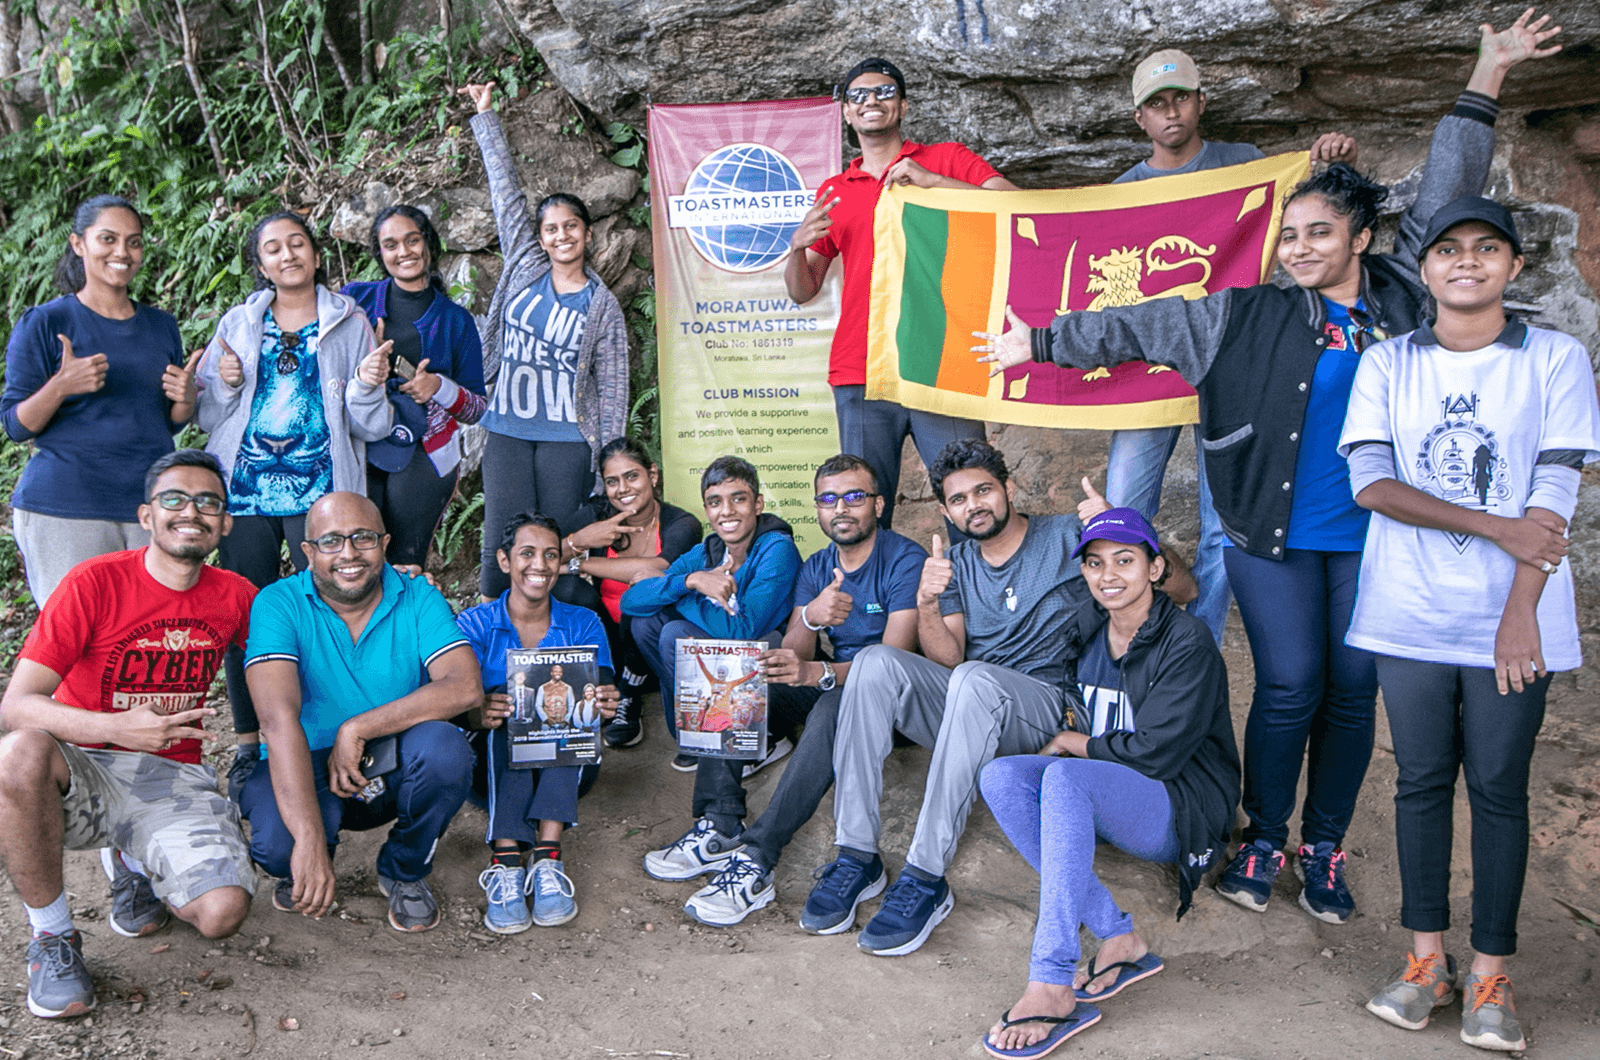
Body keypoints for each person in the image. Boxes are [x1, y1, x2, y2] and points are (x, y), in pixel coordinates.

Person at [976, 9, 1558, 926]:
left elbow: (1451, 183)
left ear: (1362, 238)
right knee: (1288, 686)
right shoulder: (1242, 312)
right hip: (1268, 534)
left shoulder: (1407, 296)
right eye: (1291, 237)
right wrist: (1039, 340)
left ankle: (1321, 848)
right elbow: (1142, 321)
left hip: (1382, 536)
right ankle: (1260, 832)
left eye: (1320, 234)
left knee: (1353, 693)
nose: (1300, 249)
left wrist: (1485, 77)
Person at [1341, 195, 1597, 1053]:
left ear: (1515, 268)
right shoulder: (1389, 363)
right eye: (1448, 250)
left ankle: (1492, 975)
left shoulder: (1555, 358)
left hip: (1515, 622)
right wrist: (1496, 526)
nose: (1467, 262)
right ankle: (1426, 964)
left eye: (1488, 249)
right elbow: (1371, 484)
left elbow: (1554, 494)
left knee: (1496, 788)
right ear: (1424, 270)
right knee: (1419, 781)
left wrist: (1518, 611)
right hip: (1409, 614)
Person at [814, 440, 1190, 957]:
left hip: (1049, 704)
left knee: (976, 679)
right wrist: (925, 603)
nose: (974, 505)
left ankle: (925, 876)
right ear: (946, 511)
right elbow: (947, 660)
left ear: (1009, 489)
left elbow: (1184, 589)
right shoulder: (955, 563)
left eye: (984, 490)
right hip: (974, 702)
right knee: (876, 663)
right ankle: (856, 855)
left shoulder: (1067, 535)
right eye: (960, 499)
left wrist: (1118, 523)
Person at [1104, 49, 1358, 645]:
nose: (1170, 112)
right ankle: (1132, 641)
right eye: (1156, 104)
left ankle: (1200, 645)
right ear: (1139, 118)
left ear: (1200, 101)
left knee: (1225, 518)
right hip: (1150, 375)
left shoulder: (1246, 166)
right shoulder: (1121, 192)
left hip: (1232, 366)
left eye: (1180, 97)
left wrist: (1333, 163)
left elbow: (1322, 210)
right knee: (1122, 511)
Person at [0, 450, 256, 1019]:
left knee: (221, 914)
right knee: (18, 754)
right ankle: (53, 938)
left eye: (208, 502)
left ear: (225, 523)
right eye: (174, 499)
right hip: (79, 764)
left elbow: (300, 645)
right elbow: (15, 706)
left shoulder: (235, 595)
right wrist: (115, 727)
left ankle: (134, 859)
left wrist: (393, 586)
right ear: (147, 515)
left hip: (171, 775)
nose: (191, 511)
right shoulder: (94, 581)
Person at [978, 507, 1238, 1058]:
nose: (1109, 575)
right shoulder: (1092, 629)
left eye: (1125, 560)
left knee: (1067, 776)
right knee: (1001, 776)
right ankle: (1118, 935)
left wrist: (1078, 744)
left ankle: (1050, 980)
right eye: (1095, 564)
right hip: (1115, 789)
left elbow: (1158, 754)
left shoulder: (1187, 642)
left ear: (1155, 567)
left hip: (1180, 801)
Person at [195, 210, 393, 799]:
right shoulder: (238, 321)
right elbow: (207, 414)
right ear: (261, 265)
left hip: (322, 496)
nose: (288, 256)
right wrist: (225, 381)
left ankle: (332, 732)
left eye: (297, 244)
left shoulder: (350, 320)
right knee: (247, 619)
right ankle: (251, 743)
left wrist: (366, 382)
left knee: (334, 610)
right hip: (249, 489)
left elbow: (370, 424)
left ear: (314, 252)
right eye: (274, 249)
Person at [679, 454, 925, 927]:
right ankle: (719, 822)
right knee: (743, 670)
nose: (842, 509)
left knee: (834, 702)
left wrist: (816, 674)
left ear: (877, 504)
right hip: (835, 681)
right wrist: (811, 616)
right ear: (817, 509)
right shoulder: (817, 566)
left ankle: (757, 859)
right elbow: (793, 656)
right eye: (829, 499)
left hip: (897, 702)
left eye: (855, 497)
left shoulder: (904, 559)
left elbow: (892, 664)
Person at [785, 57, 1017, 532]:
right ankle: (874, 607)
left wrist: (936, 184)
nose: (872, 101)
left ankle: (977, 605)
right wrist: (795, 248)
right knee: (864, 516)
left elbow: (1014, 205)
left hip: (942, 359)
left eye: (885, 92)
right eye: (859, 96)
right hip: (861, 368)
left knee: (970, 501)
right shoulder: (834, 189)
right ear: (847, 114)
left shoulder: (945, 158)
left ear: (904, 106)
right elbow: (803, 291)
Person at [236, 492, 481, 934]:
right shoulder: (277, 603)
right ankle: (314, 854)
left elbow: (464, 686)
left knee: (446, 750)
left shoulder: (417, 596)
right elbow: (277, 719)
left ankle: (404, 868)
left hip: (385, 763)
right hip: (303, 762)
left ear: (385, 544)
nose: (348, 553)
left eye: (363, 538)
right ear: (307, 552)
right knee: (278, 848)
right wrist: (308, 839)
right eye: (331, 541)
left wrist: (359, 728)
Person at [462, 81, 630, 601]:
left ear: (587, 233)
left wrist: (606, 465)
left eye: (571, 226)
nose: (561, 236)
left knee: (557, 547)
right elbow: (505, 193)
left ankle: (560, 656)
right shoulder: (525, 268)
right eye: (552, 228)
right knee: (503, 544)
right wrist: (486, 117)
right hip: (507, 426)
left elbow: (613, 392)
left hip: (566, 437)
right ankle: (496, 651)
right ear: (539, 237)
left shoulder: (601, 305)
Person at [2, 195, 197, 607]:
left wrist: (186, 399)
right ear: (78, 244)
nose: (122, 252)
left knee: (142, 640)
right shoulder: (47, 322)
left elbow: (166, 422)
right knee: (77, 646)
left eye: (134, 241)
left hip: (148, 506)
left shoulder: (161, 326)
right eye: (107, 239)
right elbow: (16, 425)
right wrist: (61, 385)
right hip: (66, 506)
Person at [457, 512, 620, 933]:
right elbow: (451, 698)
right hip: (488, 771)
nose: (540, 565)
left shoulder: (582, 622)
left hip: (566, 770)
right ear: (504, 560)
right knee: (506, 720)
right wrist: (478, 712)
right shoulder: (473, 625)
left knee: (567, 723)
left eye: (550, 555)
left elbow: (601, 692)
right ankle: (507, 862)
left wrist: (603, 705)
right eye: (526, 554)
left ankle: (548, 857)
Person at [622, 455, 802, 772]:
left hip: (766, 663)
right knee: (645, 621)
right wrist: (691, 580)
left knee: (674, 632)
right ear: (707, 510)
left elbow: (742, 630)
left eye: (738, 499)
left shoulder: (777, 548)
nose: (727, 511)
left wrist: (681, 593)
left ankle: (767, 740)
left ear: (758, 504)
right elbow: (630, 601)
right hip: (720, 663)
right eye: (715, 502)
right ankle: (694, 731)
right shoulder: (708, 550)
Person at [343, 204, 488, 567]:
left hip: (426, 449)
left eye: (412, 240)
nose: (403, 252)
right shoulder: (354, 302)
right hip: (359, 440)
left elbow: (478, 408)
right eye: (391, 245)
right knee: (360, 555)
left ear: (428, 244)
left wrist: (438, 386)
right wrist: (364, 366)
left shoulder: (456, 321)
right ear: (380, 254)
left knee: (406, 558)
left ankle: (406, 623)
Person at [557, 437, 703, 748]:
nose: (623, 489)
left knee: (643, 589)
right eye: (612, 481)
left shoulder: (682, 523)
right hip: (606, 644)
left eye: (632, 476)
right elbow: (533, 556)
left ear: (653, 475)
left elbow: (658, 567)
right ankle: (591, 684)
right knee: (569, 591)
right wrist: (580, 538)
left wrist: (577, 563)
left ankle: (628, 694)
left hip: (650, 648)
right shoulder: (597, 516)